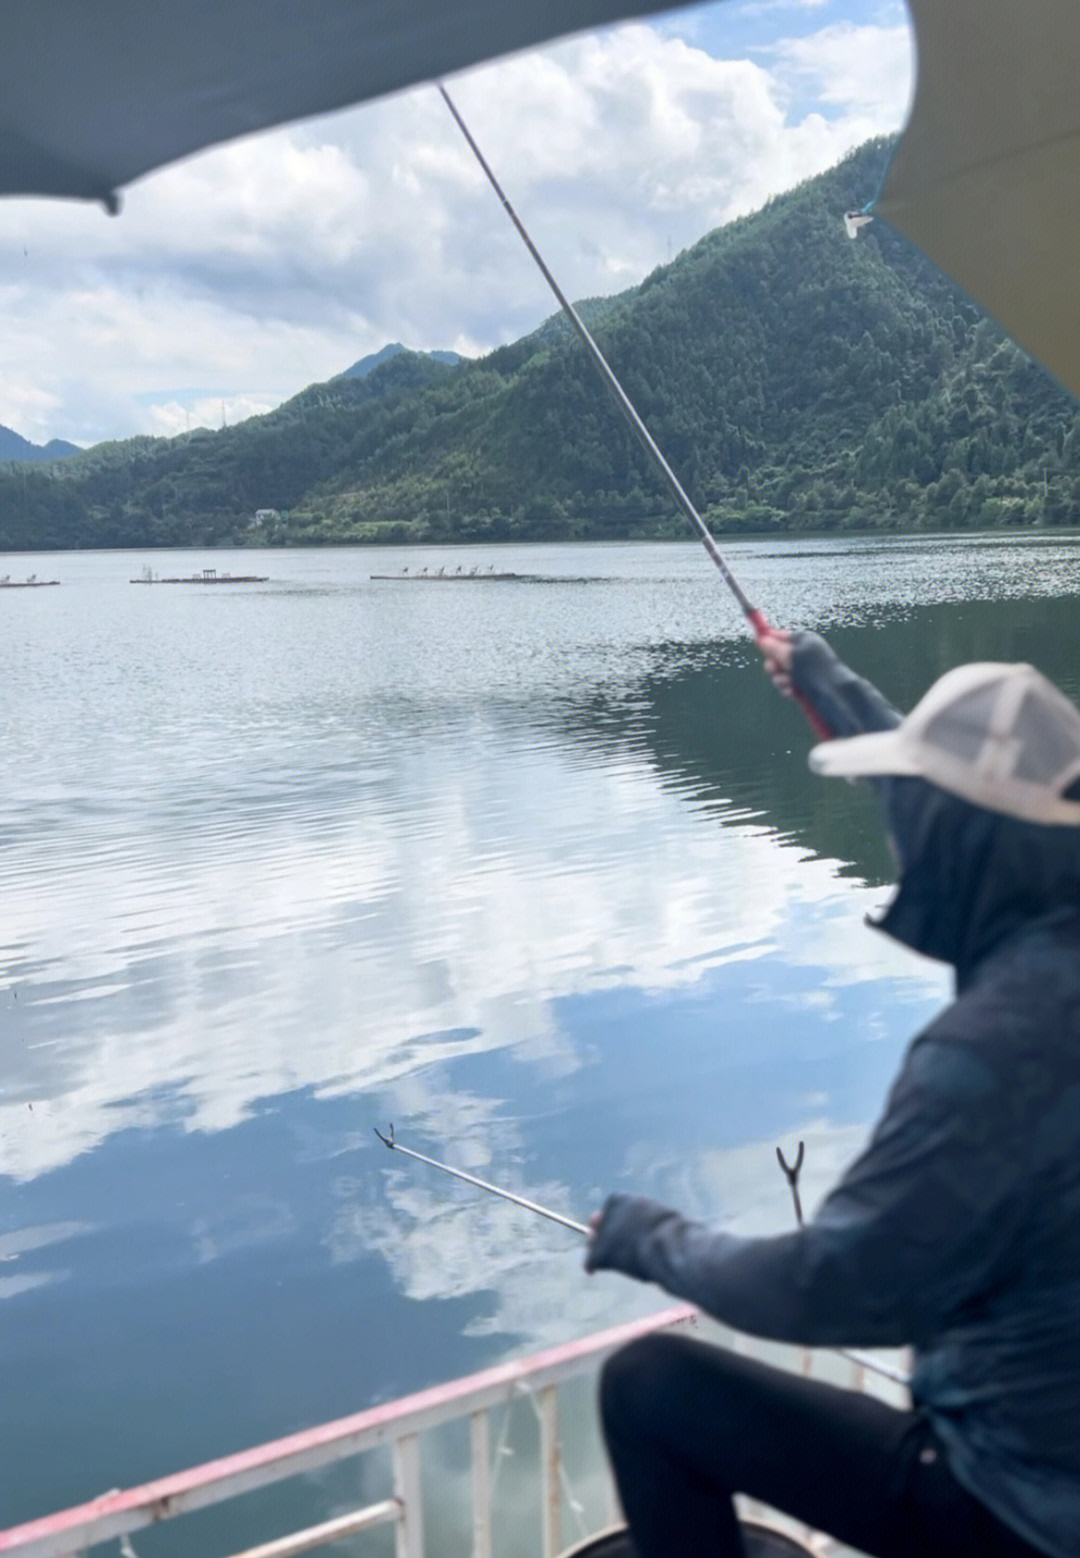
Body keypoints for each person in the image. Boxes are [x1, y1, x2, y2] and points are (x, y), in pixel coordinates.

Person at [585, 628, 1080, 1558]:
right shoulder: (1045, 884)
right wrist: (823, 678)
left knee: (650, 1388)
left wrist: (652, 1239)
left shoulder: (994, 1049)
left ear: (958, 841)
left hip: (1022, 1509)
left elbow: (831, 1288)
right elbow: (961, 795)